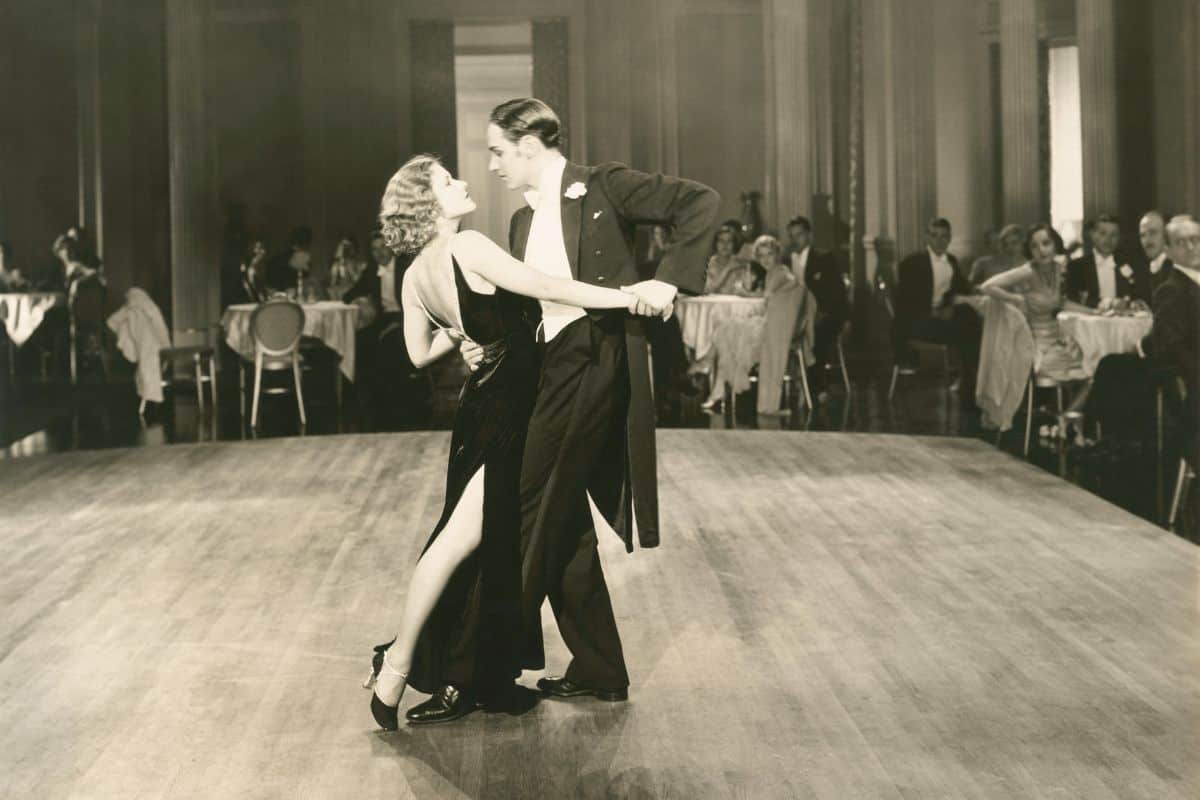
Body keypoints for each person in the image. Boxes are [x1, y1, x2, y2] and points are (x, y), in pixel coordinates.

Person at [363, 155, 646, 729]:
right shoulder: (468, 247)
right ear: (429, 204)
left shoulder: (413, 275)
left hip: (480, 409)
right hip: (511, 412)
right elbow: (545, 287)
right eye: (447, 181)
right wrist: (627, 296)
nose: (463, 182)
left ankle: (582, 667)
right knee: (456, 541)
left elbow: (418, 354)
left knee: (500, 536)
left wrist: (465, 336)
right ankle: (397, 666)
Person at [452, 97, 717, 708]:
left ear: (528, 144)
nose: (492, 164)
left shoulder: (603, 186)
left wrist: (667, 281)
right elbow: (529, 307)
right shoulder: (520, 223)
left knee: (527, 502)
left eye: (497, 151)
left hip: (596, 360)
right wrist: (478, 345)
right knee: (562, 514)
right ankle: (599, 667)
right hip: (549, 366)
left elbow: (700, 201)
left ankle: (478, 668)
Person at [981, 223, 1091, 383]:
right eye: (1034, 246)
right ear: (1030, 250)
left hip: (1057, 341)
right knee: (1082, 369)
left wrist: (1094, 312)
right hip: (1035, 346)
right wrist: (1016, 299)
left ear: (1055, 244)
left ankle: (1068, 400)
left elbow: (1062, 303)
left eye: (1046, 243)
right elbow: (987, 286)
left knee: (1091, 364)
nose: (1041, 250)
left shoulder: (1058, 269)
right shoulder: (1028, 271)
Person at [342, 229, 429, 430]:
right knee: (360, 340)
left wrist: (398, 322)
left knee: (390, 343)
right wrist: (360, 300)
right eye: (374, 249)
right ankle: (370, 404)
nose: (379, 253)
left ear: (392, 247)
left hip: (408, 319)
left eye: (383, 247)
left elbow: (420, 301)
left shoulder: (406, 267)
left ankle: (396, 406)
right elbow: (349, 295)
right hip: (383, 320)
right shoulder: (372, 270)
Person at [892, 217, 982, 407]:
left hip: (941, 321)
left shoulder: (952, 261)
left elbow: (962, 289)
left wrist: (956, 303)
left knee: (969, 318)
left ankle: (970, 382)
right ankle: (968, 381)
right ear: (927, 238)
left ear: (949, 239)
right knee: (968, 328)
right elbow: (904, 302)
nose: (939, 241)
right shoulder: (912, 262)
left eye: (944, 236)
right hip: (918, 322)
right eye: (934, 236)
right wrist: (934, 312)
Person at [783, 215, 848, 398]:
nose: (795, 240)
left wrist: (822, 314)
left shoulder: (825, 258)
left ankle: (816, 387)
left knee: (815, 332)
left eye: (799, 235)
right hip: (793, 316)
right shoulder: (785, 261)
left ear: (809, 235)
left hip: (823, 314)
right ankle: (786, 385)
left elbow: (837, 293)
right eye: (791, 236)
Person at [1066, 213, 1147, 307]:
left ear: (1119, 238)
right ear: (1093, 235)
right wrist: (1108, 303)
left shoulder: (1129, 264)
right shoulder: (1077, 267)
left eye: (1114, 235)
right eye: (1103, 233)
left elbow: (1137, 295)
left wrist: (1133, 302)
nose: (1108, 239)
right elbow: (1074, 300)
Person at [704, 226, 759, 295]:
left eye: (729, 241)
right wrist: (728, 269)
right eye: (721, 240)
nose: (725, 244)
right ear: (715, 244)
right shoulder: (707, 264)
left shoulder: (740, 264)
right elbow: (708, 290)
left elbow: (747, 288)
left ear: (734, 244)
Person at [1137, 210, 1176, 304]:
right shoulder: (1144, 267)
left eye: (1153, 233)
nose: (1147, 240)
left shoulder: (1177, 268)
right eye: (1143, 235)